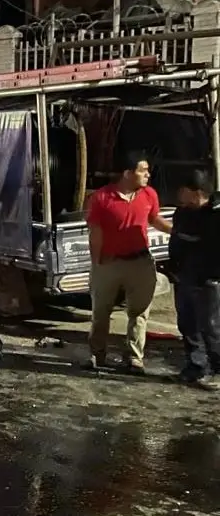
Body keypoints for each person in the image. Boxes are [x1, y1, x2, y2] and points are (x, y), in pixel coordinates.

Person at [85, 152, 173, 375]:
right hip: (109, 263)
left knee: (139, 312)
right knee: (101, 311)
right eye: (143, 170)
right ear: (127, 173)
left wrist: (177, 230)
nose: (147, 175)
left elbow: (154, 219)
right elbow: (95, 231)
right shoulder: (102, 198)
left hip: (140, 262)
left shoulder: (149, 195)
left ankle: (134, 358)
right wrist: (97, 263)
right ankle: (97, 354)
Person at [166, 169, 220, 390]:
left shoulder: (215, 215)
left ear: (197, 192)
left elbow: (210, 246)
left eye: (184, 190)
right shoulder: (183, 212)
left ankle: (217, 369)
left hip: (207, 280)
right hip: (184, 276)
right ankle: (195, 366)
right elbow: (178, 238)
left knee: (211, 326)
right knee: (187, 324)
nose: (179, 194)